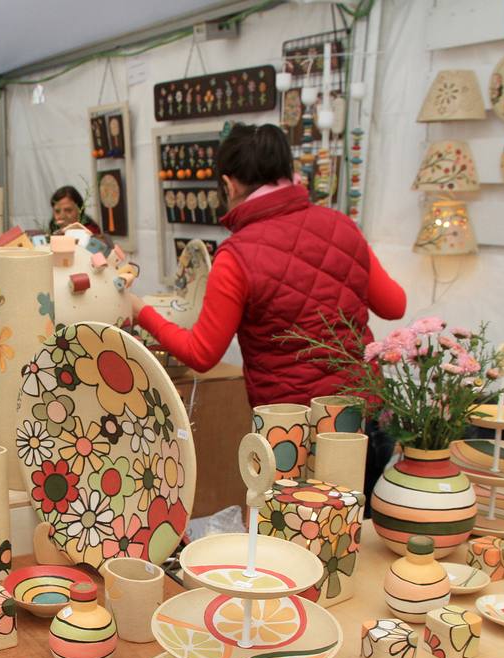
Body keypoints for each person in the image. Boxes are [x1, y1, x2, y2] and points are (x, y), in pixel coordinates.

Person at [130, 124, 406, 494]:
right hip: (366, 416)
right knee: (360, 535)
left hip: (295, 429)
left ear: (228, 186)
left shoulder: (237, 255)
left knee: (300, 539)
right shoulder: (342, 226)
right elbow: (395, 305)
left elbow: (201, 353)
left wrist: (139, 310)